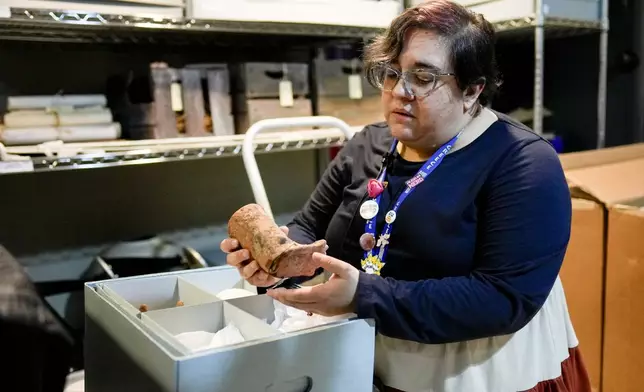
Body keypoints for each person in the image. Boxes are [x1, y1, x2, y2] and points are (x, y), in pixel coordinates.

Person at [221, 1, 591, 390]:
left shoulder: (522, 162)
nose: (400, 91)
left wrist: (363, 295)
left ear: (472, 89)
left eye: (424, 77)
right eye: (391, 73)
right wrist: (279, 257)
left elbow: (501, 298)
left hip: (477, 371)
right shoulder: (368, 143)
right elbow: (309, 227)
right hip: (369, 357)